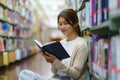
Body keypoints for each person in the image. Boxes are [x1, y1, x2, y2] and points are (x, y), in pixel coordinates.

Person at [19, 9, 88, 80]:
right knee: (24, 73)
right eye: (60, 24)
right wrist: (52, 61)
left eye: (65, 23)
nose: (62, 27)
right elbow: (55, 72)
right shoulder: (62, 43)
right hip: (57, 78)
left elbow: (76, 74)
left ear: (76, 23)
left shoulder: (81, 45)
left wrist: (55, 61)